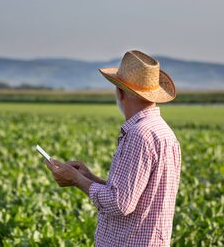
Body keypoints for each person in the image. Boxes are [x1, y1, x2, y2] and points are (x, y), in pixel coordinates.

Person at [44, 50, 181, 246]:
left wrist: (76, 179)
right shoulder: (163, 131)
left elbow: (120, 203)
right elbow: (133, 195)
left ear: (120, 92)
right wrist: (88, 177)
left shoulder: (138, 135)